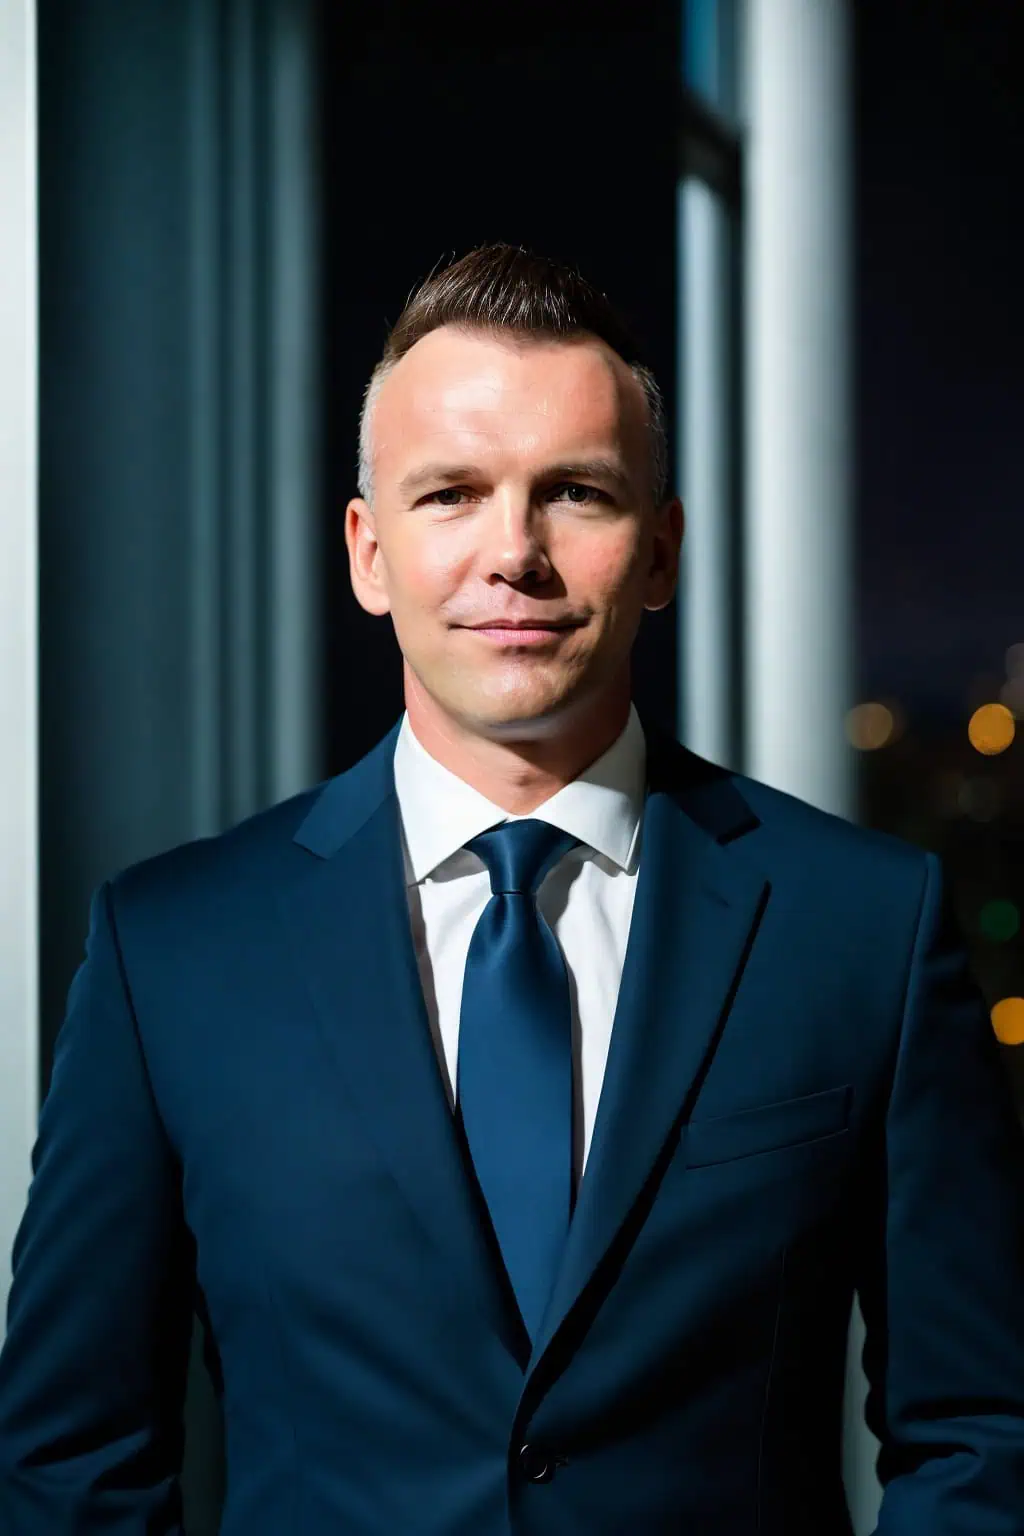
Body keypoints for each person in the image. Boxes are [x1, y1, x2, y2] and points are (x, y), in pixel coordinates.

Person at [2, 241, 1024, 1536]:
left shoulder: (864, 929)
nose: (515, 554)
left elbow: (980, 1431)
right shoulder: (172, 954)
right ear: (369, 553)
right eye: (452, 495)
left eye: (576, 493)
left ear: (661, 551)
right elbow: (71, 1463)